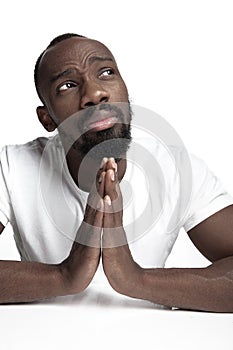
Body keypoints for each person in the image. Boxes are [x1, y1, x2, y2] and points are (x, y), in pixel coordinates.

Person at [0, 33, 233, 312]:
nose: (95, 93)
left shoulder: (178, 168)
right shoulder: (12, 166)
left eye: (106, 72)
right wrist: (64, 276)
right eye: (68, 85)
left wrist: (135, 279)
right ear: (47, 118)